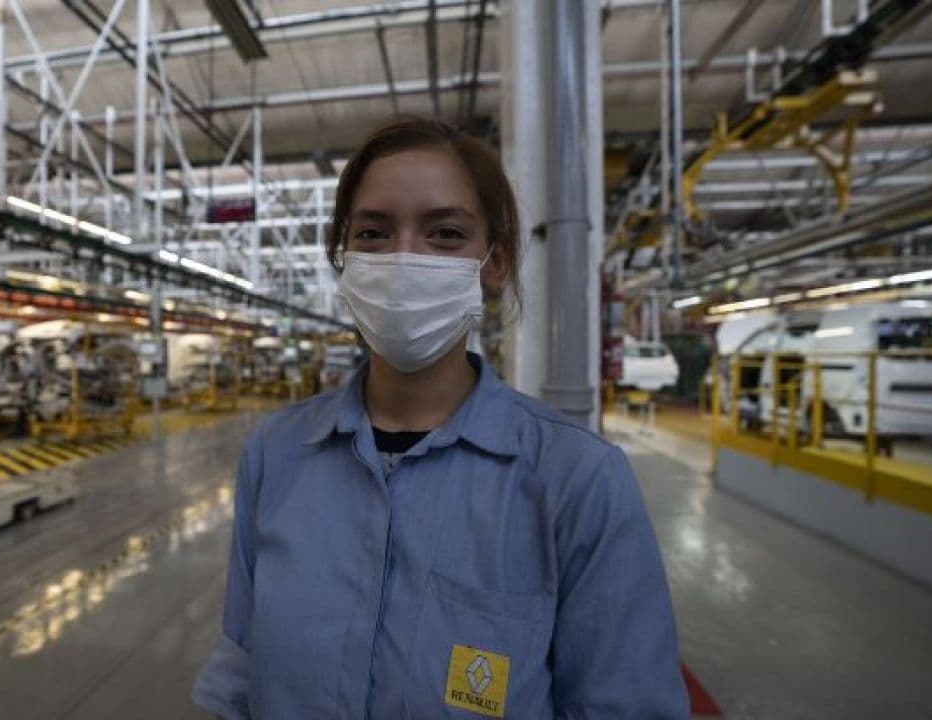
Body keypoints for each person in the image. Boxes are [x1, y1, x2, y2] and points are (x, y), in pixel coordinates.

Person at [193, 119, 687, 719]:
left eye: (445, 234)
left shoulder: (575, 479)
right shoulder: (276, 455)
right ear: (343, 259)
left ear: (494, 263)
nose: (405, 260)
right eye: (374, 232)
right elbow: (240, 675)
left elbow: (626, 705)